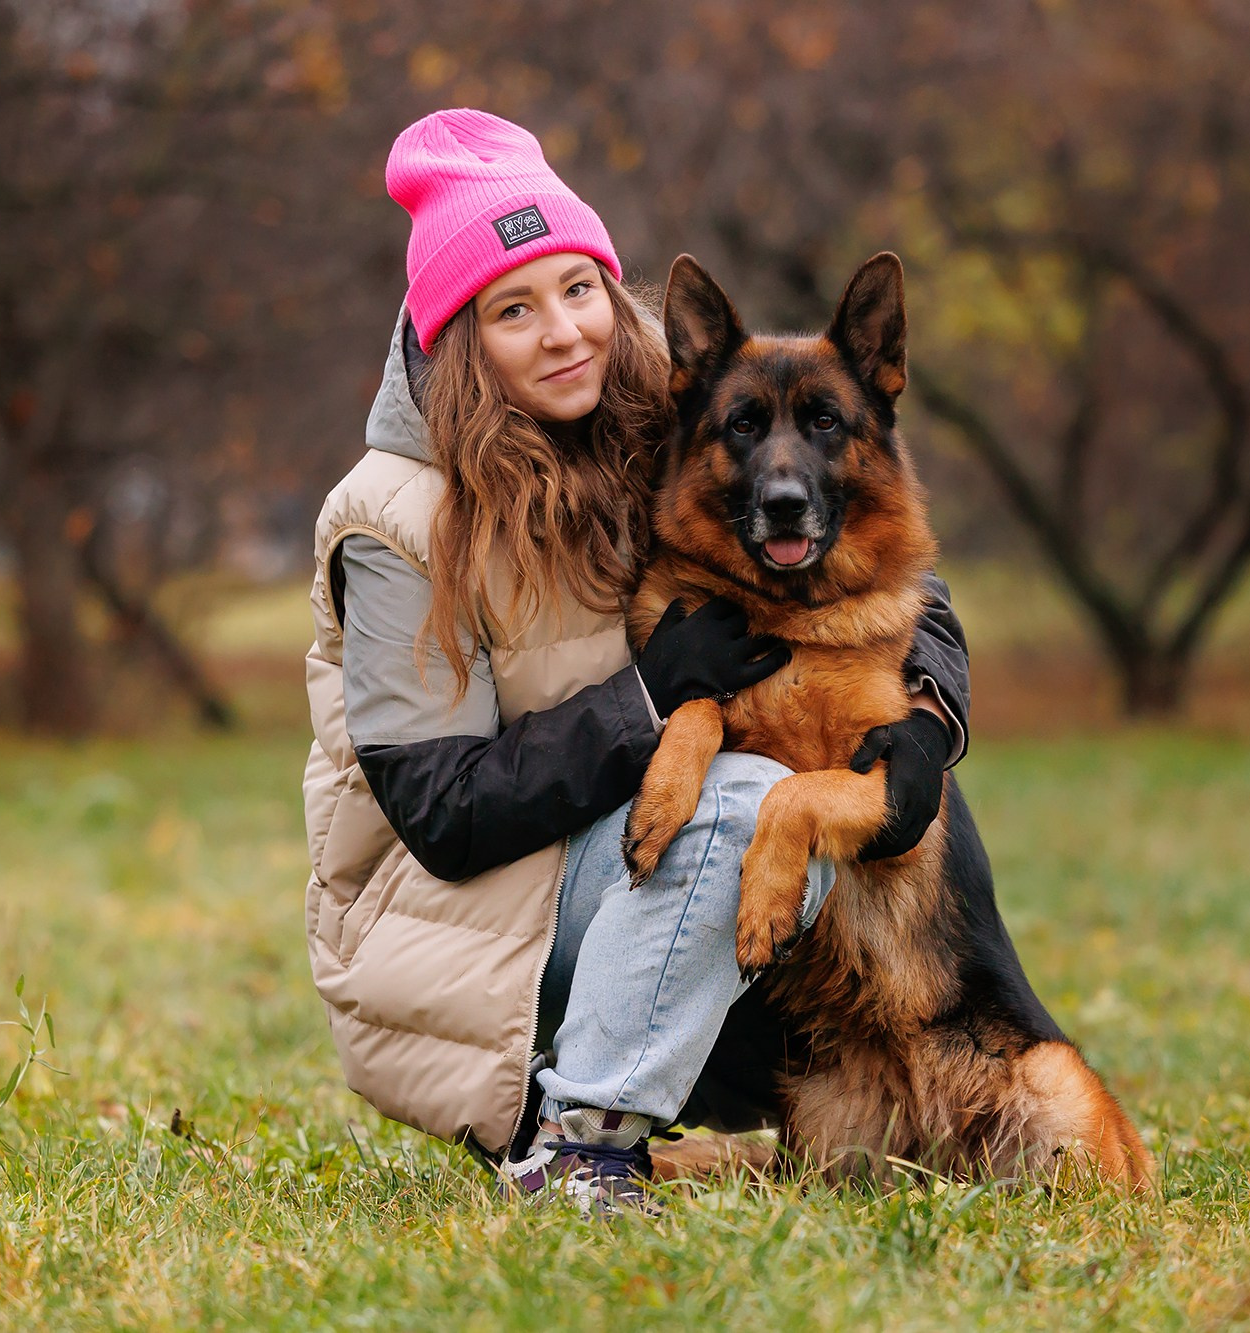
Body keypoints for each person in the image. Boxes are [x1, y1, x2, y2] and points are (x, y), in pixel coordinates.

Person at [303, 109, 972, 1215]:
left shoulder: (665, 413)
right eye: (512, 309)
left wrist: (928, 721)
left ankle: (898, 1081)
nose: (562, 331)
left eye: (577, 289)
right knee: (744, 798)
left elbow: (881, 570)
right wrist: (656, 694)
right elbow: (443, 814)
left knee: (832, 759)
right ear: (458, 338)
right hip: (453, 925)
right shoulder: (392, 520)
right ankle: (581, 1145)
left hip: (615, 865)